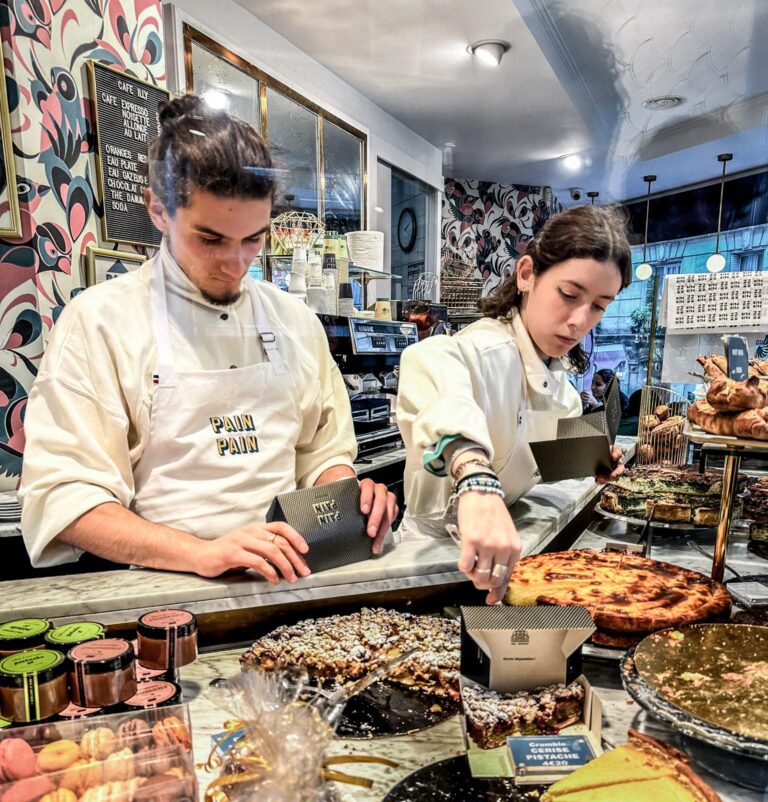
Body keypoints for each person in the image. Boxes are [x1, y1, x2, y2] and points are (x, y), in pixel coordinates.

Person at [20, 95, 397, 580]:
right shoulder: (99, 322)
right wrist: (201, 552)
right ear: (158, 208)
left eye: (253, 239)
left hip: (291, 586)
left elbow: (321, 453)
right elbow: (67, 498)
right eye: (211, 239)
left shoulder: (295, 322)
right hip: (163, 602)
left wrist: (347, 498)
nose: (236, 263)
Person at [397, 205, 631, 604]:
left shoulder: (560, 383)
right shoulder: (486, 348)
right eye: (569, 295)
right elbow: (431, 362)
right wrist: (475, 480)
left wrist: (593, 459)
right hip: (433, 566)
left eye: (598, 306)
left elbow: (544, 457)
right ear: (526, 274)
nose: (580, 321)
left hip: (509, 560)